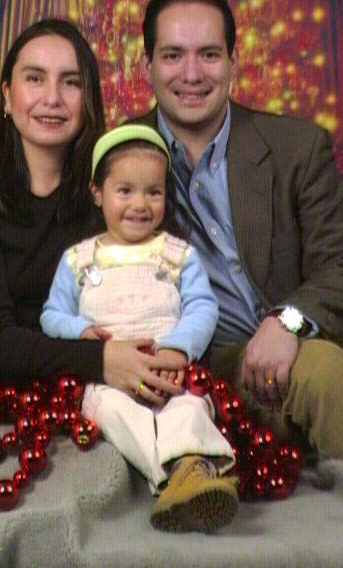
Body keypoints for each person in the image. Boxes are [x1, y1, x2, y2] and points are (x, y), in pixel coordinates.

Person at [0, 0, 343, 469]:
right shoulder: (119, 159)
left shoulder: (293, 147)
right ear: (148, 67)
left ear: (233, 63)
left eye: (209, 54)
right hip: (178, 361)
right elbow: (40, 274)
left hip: (286, 350)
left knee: (326, 375)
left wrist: (287, 322)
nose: (191, 74)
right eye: (173, 55)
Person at [0, 19, 185, 477]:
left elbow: (157, 285)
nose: (52, 98)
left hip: (5, 386)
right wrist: (100, 360)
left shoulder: (115, 193)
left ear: (87, 99)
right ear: (7, 96)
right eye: (34, 78)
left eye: (70, 82)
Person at [40, 123, 238, 532]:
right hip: (110, 379)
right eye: (125, 191)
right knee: (111, 411)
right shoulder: (79, 259)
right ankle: (178, 479)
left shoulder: (177, 254)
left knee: (189, 408)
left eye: (153, 192)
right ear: (98, 193)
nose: (140, 204)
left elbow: (202, 307)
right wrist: (78, 329)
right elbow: (51, 314)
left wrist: (178, 347)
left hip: (169, 372)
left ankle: (187, 472)